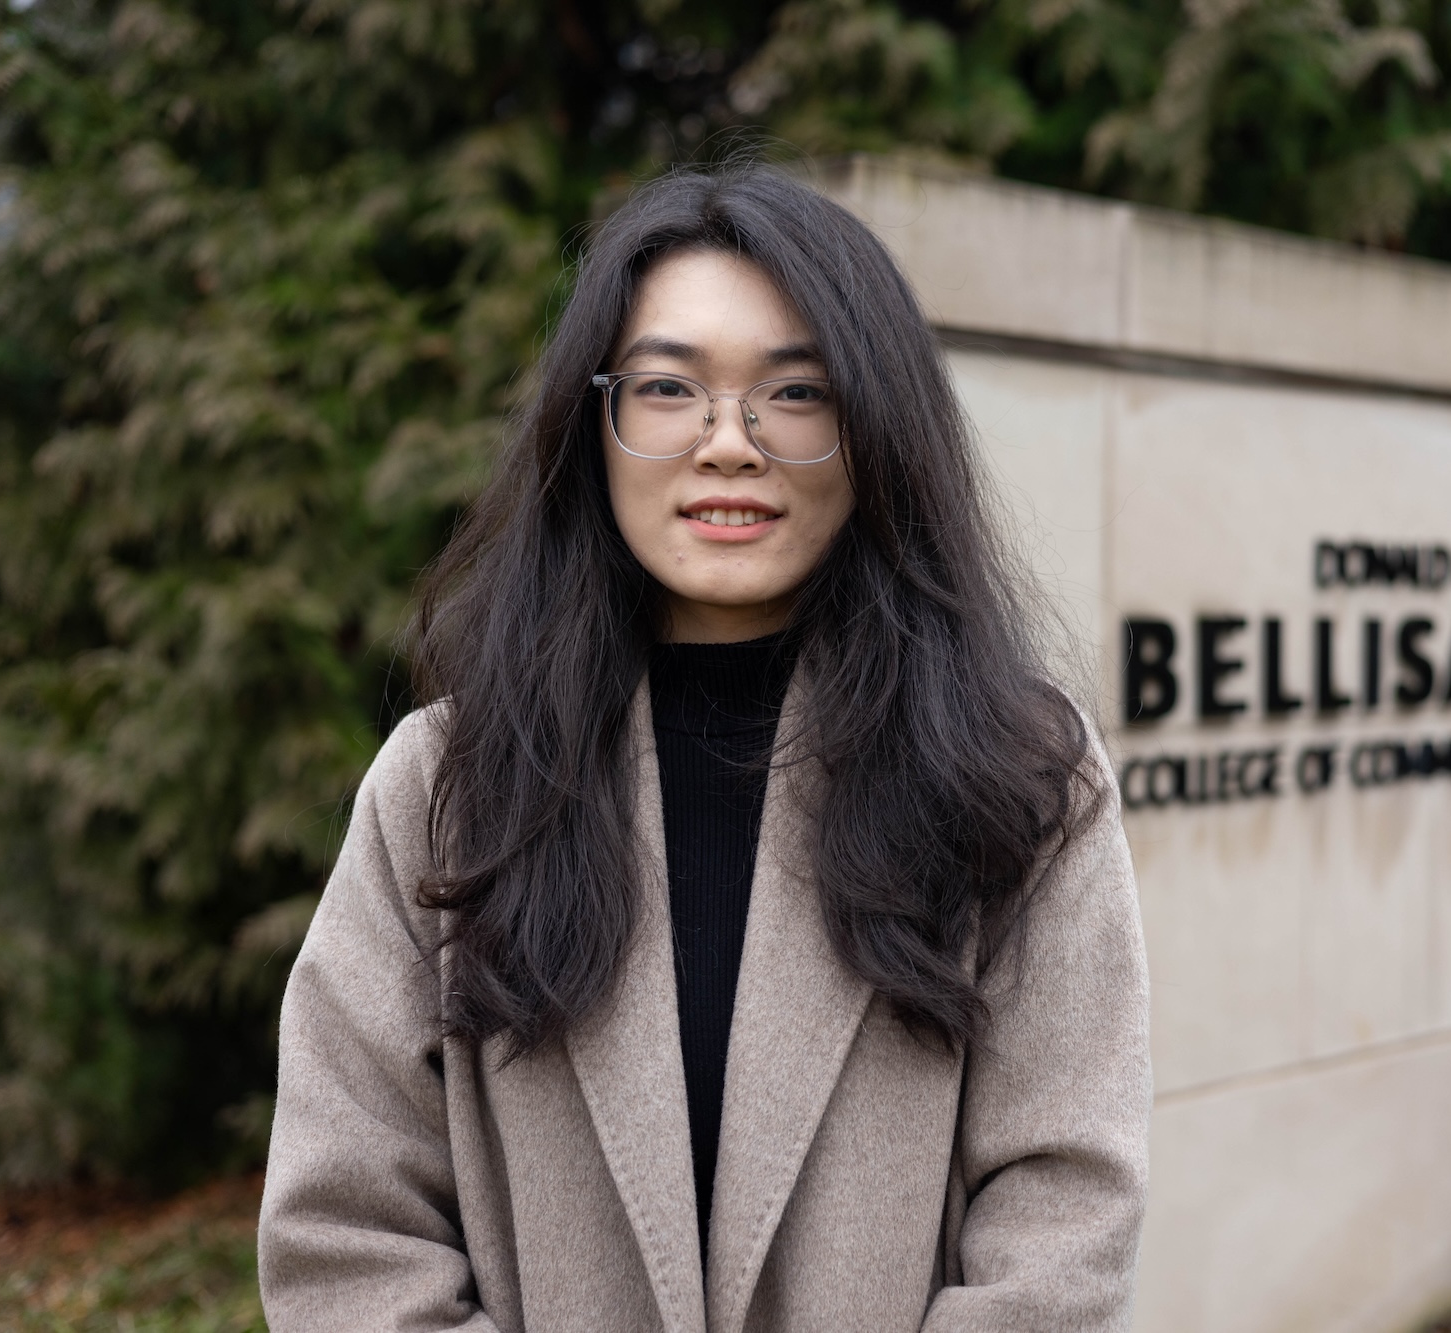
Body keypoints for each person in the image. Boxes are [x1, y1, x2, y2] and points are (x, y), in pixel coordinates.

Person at [256, 163, 1151, 1332]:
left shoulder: (1016, 774)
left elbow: (1063, 1211)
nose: (729, 445)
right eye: (669, 387)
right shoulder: (448, 785)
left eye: (796, 394)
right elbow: (347, 1234)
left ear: (875, 429)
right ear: (595, 423)